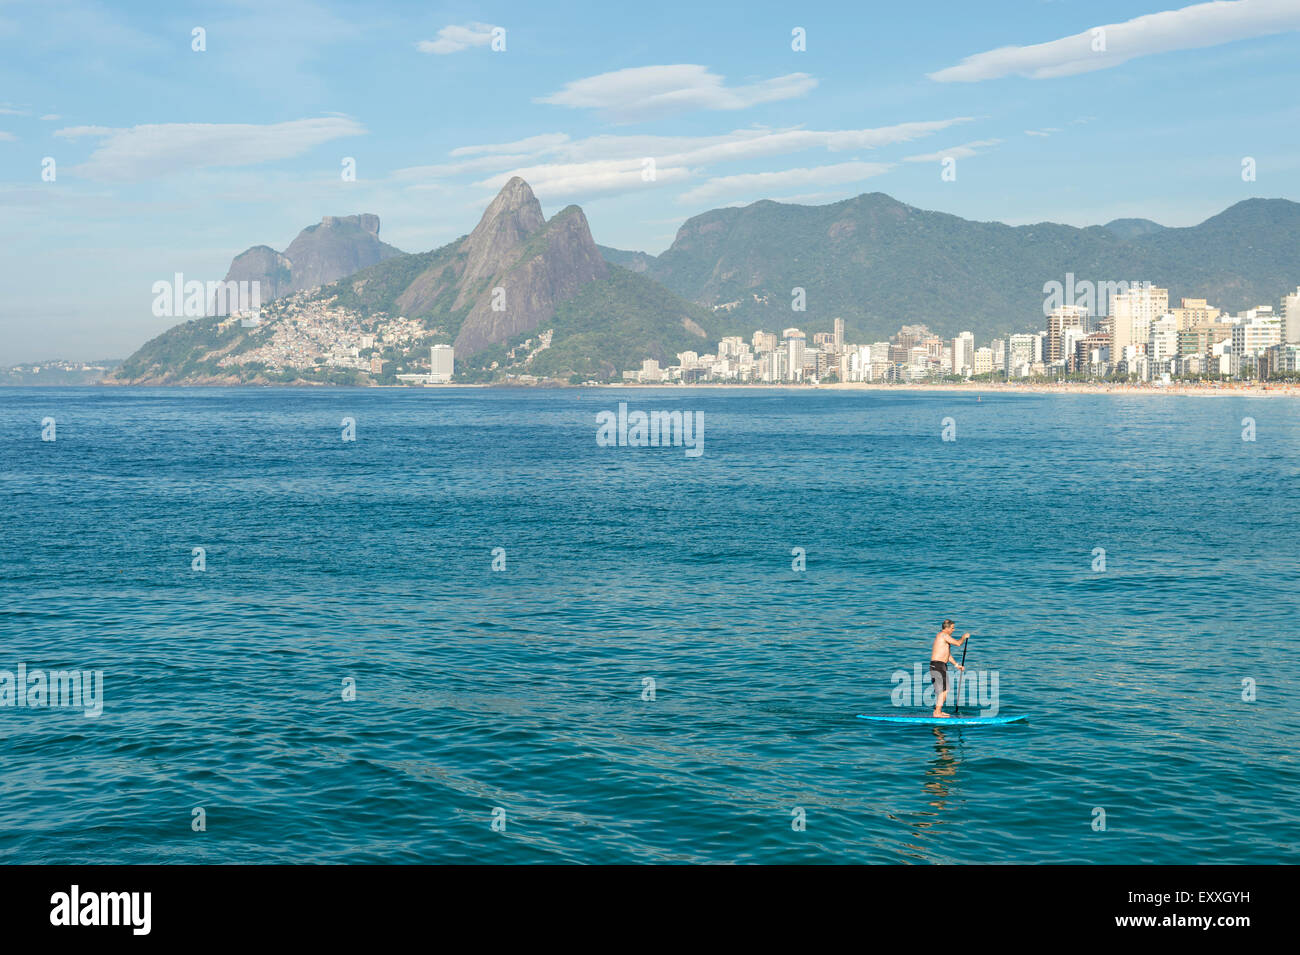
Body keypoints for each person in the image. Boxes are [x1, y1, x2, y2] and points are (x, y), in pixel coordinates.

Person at [929, 620, 970, 717]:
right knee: (943, 690)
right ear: (947, 628)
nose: (953, 630)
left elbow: (948, 655)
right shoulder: (943, 635)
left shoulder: (944, 638)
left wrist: (956, 665)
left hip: (941, 665)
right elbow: (958, 643)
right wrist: (964, 637)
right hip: (937, 665)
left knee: (945, 690)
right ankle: (937, 712)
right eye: (952, 628)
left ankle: (938, 711)